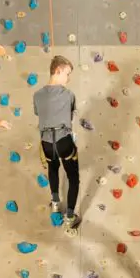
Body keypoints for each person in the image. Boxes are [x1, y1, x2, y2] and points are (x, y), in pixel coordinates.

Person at [34, 54, 81, 228]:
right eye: (67, 74)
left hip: (46, 142)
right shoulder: (69, 95)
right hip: (63, 141)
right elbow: (70, 116)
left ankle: (55, 202)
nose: (68, 79)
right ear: (57, 70)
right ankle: (69, 216)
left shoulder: (37, 95)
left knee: (52, 168)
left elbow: (39, 113)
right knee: (73, 177)